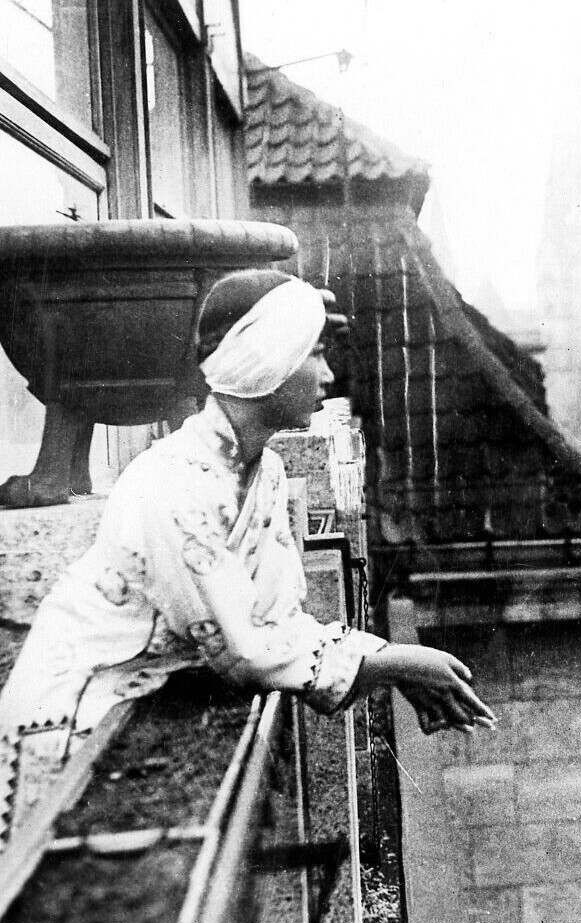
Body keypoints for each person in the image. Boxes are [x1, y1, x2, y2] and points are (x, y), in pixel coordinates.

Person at [0, 270, 494, 845]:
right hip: (70, 720)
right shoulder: (172, 483)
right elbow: (245, 649)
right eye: (314, 354)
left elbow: (279, 620)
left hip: (140, 703)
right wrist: (393, 663)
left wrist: (384, 659)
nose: (329, 376)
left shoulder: (266, 472)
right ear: (266, 358)